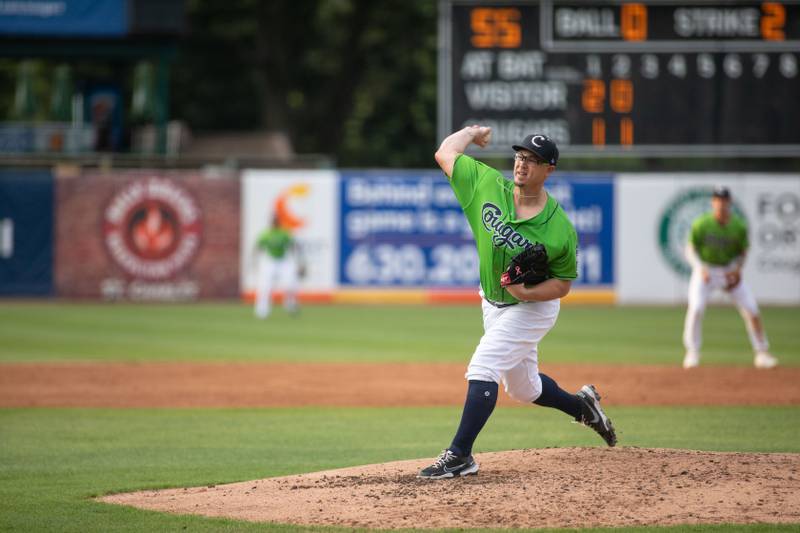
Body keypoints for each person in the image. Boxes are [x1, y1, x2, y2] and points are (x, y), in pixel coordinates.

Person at [418, 126, 617, 480]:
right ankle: (582, 406)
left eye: (533, 160)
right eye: (520, 157)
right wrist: (471, 132)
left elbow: (563, 284)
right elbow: (445, 153)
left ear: (548, 170)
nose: (523, 165)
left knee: (483, 366)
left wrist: (528, 294)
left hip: (533, 308)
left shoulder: (559, 228)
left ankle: (460, 455)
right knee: (524, 389)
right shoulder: (486, 185)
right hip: (492, 301)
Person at [682, 186, 777, 369]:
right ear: (712, 202)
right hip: (706, 270)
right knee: (696, 308)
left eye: (724, 200)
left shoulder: (738, 226)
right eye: (717, 199)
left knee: (751, 309)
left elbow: (743, 252)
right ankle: (692, 352)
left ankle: (762, 353)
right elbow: (690, 249)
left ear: (729, 202)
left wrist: (737, 269)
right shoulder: (702, 224)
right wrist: (700, 267)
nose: (721, 203)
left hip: (728, 271)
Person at [253, 214, 302, 319]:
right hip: (269, 260)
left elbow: (293, 245)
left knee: (290, 283)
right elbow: (258, 247)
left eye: (276, 221)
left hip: (283, 260)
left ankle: (290, 305)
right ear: (271, 222)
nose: (275, 223)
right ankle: (262, 310)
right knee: (265, 286)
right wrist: (256, 262)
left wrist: (298, 261)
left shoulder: (284, 233)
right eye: (273, 221)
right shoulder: (265, 234)